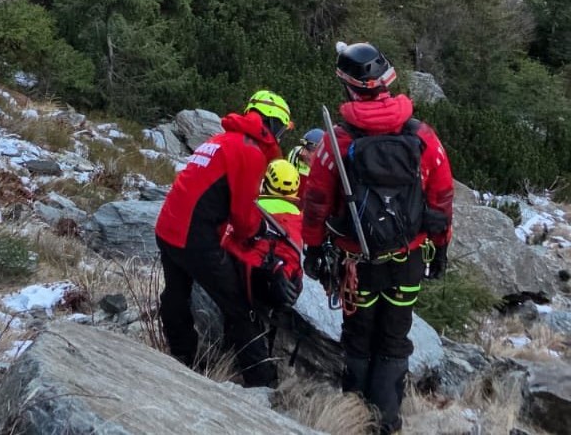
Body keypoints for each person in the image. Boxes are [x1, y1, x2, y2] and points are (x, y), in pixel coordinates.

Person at [301, 42, 454, 435]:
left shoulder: (338, 143)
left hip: (358, 264)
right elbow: (441, 197)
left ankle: (353, 417)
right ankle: (386, 423)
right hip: (407, 259)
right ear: (386, 83)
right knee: (394, 336)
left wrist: (314, 248)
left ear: (349, 87)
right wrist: (440, 247)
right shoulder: (422, 137)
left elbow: (316, 201)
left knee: (358, 337)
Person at [154, 89, 293, 387]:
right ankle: (261, 383)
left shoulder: (219, 140)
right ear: (270, 123)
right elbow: (243, 217)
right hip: (196, 238)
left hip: (168, 228)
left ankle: (182, 359)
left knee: (175, 296)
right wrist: (259, 234)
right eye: (280, 128)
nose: (280, 136)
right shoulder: (250, 151)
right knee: (240, 306)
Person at [222, 159, 304, 315]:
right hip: (288, 287)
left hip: (254, 283)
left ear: (265, 182)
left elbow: (229, 241)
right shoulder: (299, 219)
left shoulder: (254, 211)